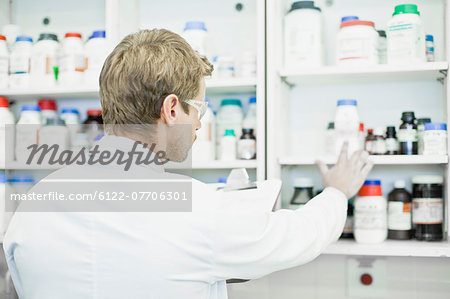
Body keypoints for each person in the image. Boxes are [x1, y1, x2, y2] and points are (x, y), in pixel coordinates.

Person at [3, 29, 373, 299]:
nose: (199, 123)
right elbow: (298, 236)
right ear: (171, 108)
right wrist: (338, 191)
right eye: (199, 109)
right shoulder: (198, 212)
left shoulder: (34, 204)